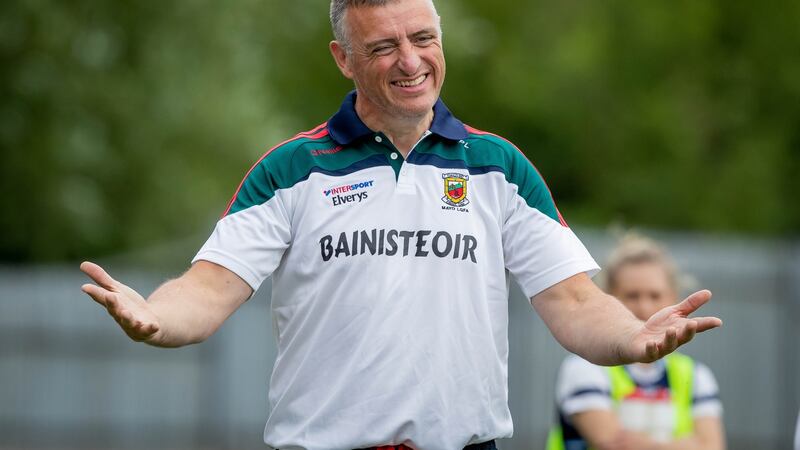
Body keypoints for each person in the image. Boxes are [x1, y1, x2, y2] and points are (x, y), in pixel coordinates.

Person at [79, 1, 722, 449]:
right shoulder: (294, 168)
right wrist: (158, 318)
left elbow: (576, 301)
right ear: (344, 57)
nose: (410, 61)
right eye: (383, 46)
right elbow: (207, 288)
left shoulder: (497, 167)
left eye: (423, 39)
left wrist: (633, 337)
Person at [547, 234, 726, 450]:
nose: (644, 307)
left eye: (655, 295)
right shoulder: (583, 367)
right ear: (607, 299)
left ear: (673, 298)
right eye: (632, 295)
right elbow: (612, 446)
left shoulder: (696, 375)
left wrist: (643, 444)